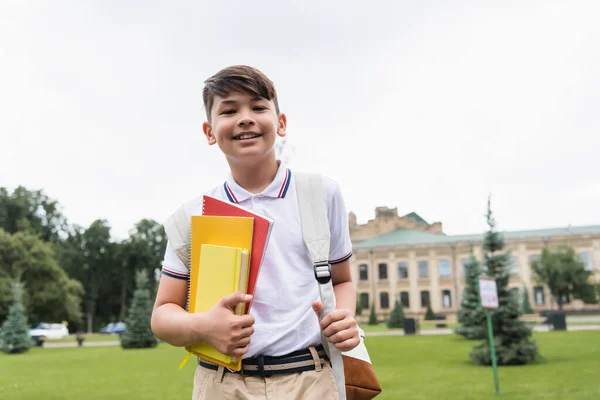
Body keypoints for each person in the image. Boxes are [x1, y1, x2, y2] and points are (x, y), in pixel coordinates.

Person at [151, 65, 359, 399]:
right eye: (229, 110)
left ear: (281, 123)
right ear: (209, 131)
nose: (245, 118)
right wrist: (204, 326)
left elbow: (342, 280)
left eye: (259, 107)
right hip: (221, 384)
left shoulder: (320, 194)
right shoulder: (193, 214)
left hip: (311, 379)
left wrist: (344, 316)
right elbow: (163, 316)